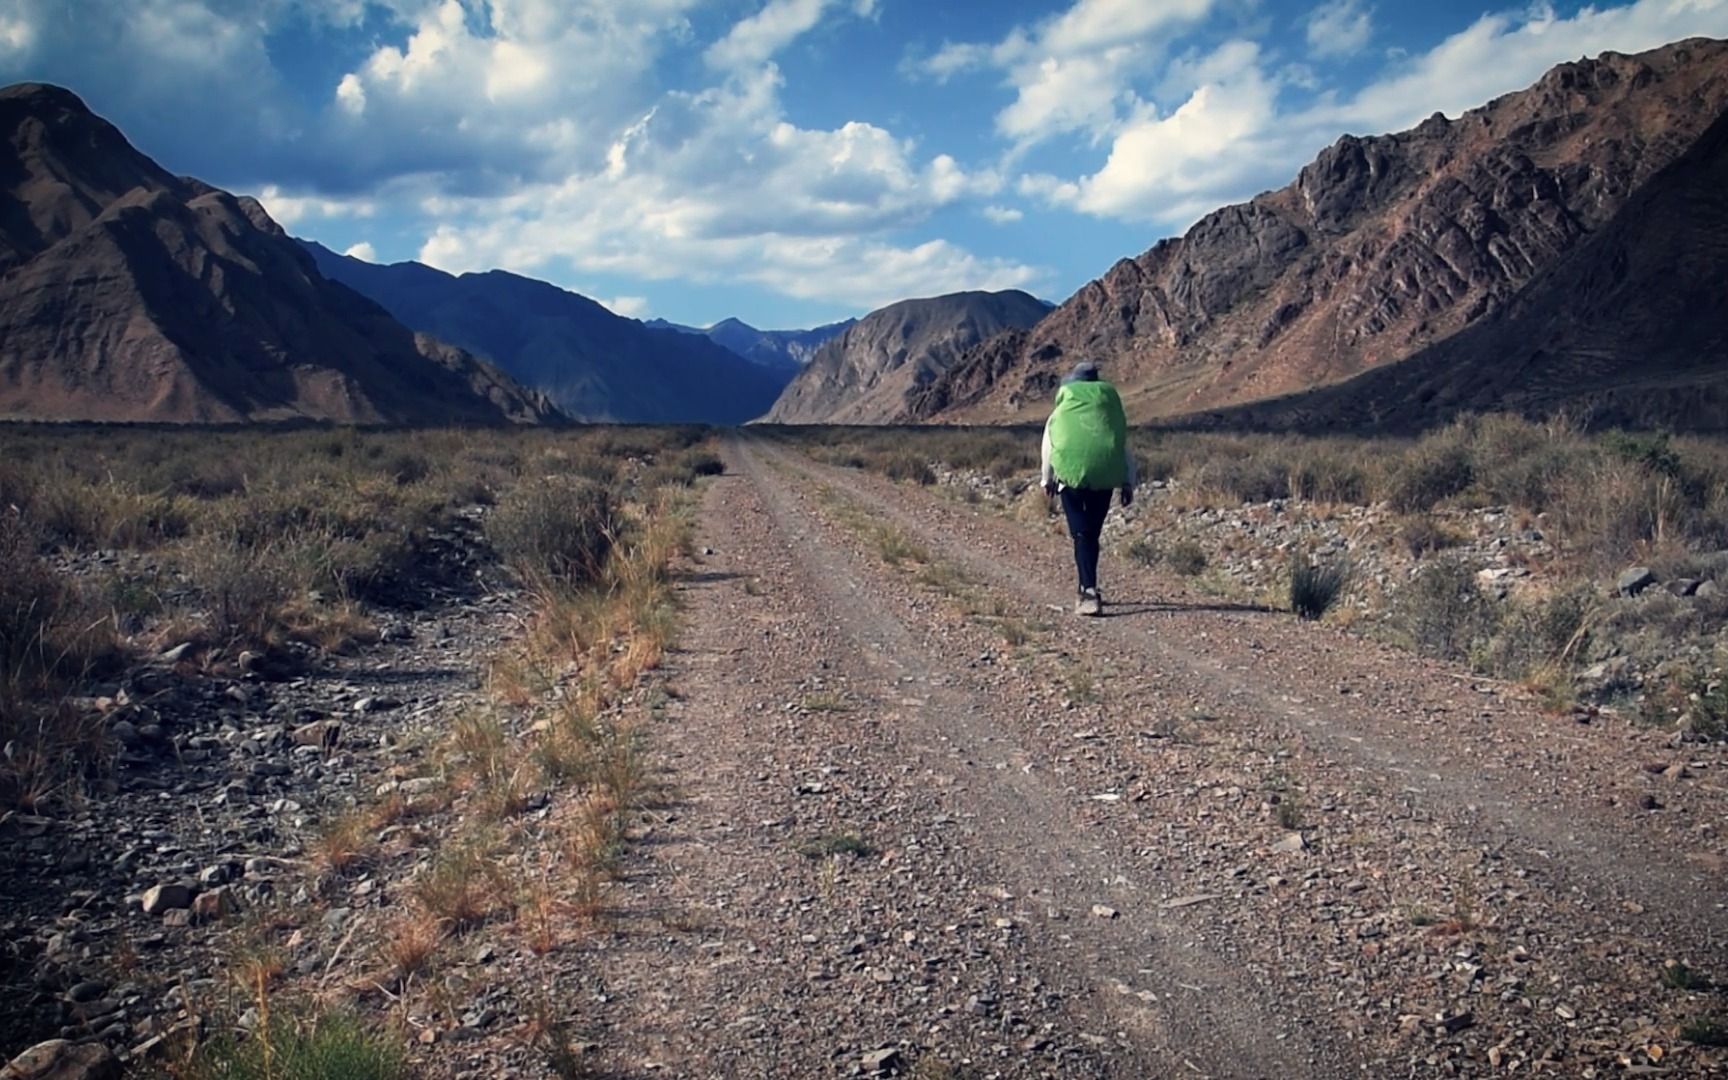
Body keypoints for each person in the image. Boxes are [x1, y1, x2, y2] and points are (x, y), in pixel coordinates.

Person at [1040, 360, 1136, 616]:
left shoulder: (1062, 410)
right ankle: (1089, 586)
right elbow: (1121, 445)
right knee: (1091, 534)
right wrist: (1128, 482)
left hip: (1068, 479)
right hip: (1104, 477)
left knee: (1081, 535)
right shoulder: (1108, 409)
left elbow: (1048, 445)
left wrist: (1046, 478)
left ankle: (1088, 591)